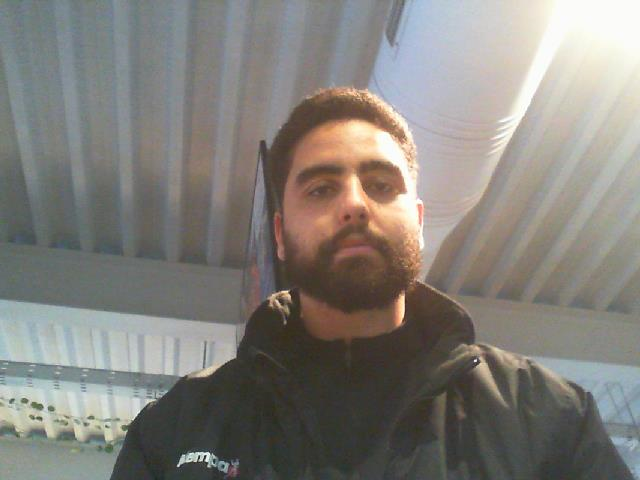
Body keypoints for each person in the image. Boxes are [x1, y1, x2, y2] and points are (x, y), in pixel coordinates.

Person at [110, 88, 633, 479]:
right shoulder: (176, 429)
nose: (355, 204)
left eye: (381, 185)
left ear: (419, 222)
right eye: (321, 189)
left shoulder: (547, 417)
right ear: (280, 235)